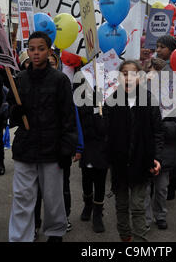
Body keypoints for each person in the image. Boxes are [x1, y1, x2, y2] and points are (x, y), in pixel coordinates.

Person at [8, 31, 77, 242]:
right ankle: (20, 237)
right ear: (27, 51)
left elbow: (68, 117)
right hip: (25, 148)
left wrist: (68, 149)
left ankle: (55, 233)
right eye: (32, 49)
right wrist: (14, 113)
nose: (36, 53)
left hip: (52, 150)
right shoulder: (19, 79)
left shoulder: (60, 80)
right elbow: (11, 113)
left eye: (40, 49)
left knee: (53, 197)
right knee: (22, 197)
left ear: (49, 51)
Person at [107, 60, 164, 242]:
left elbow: (158, 131)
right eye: (124, 73)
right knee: (121, 205)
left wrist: (156, 157)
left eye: (133, 74)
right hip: (119, 163)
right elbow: (106, 132)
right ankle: (125, 237)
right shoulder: (111, 101)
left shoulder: (149, 100)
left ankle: (141, 241)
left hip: (142, 161)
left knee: (138, 206)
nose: (129, 77)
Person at [33, 51, 80, 239]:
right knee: (35, 189)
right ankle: (35, 223)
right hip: (37, 149)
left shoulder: (63, 86)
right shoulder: (31, 84)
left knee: (61, 187)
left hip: (59, 148)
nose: (49, 66)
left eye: (53, 63)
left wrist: (75, 147)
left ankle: (62, 219)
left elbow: (71, 119)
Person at [144, 58, 176, 230]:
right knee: (144, 189)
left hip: (164, 151)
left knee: (161, 189)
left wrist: (161, 126)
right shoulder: (138, 96)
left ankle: (160, 215)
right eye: (149, 72)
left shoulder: (173, 98)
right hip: (145, 150)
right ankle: (145, 218)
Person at [77, 92, 110, 233]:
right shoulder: (82, 97)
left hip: (103, 146)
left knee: (100, 180)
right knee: (87, 178)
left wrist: (102, 113)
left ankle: (97, 213)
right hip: (87, 144)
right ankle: (88, 204)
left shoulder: (110, 98)